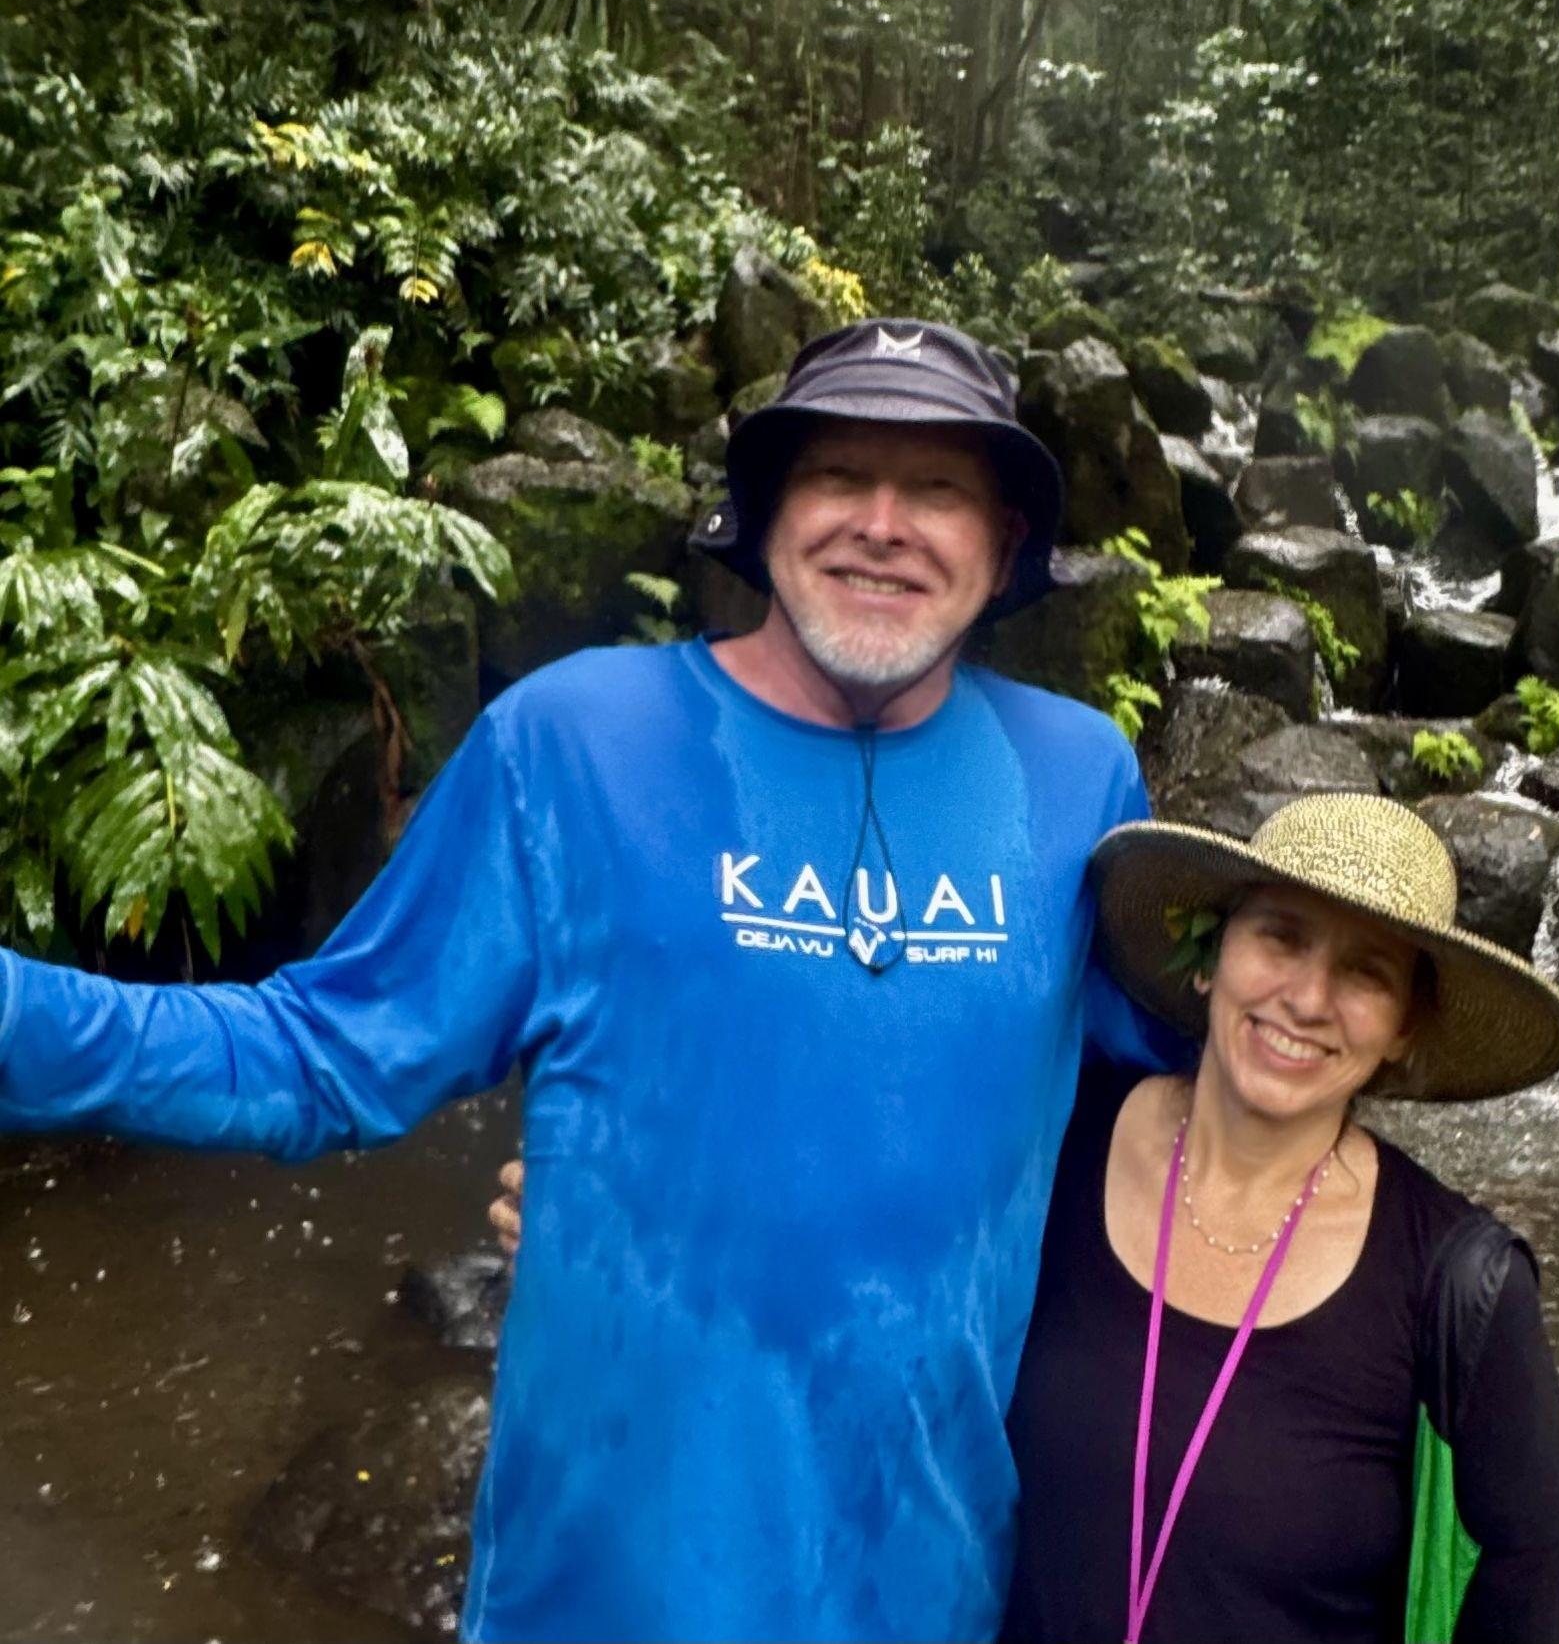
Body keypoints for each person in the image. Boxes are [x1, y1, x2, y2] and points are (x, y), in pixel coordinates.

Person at [0, 319, 1186, 1643]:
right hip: (597, 1590)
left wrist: (1441, 1280)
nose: (882, 523)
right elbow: (316, 1050)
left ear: (1006, 542)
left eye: (941, 489)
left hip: (922, 1582)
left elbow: (1176, 1120)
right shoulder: (571, 741)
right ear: (764, 511)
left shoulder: (1079, 779)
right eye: (837, 474)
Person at [1001, 792, 1559, 1644]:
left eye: (1366, 972)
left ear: (1402, 1027)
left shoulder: (1457, 1279)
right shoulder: (1056, 1143)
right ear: (1208, 953)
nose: (1307, 998)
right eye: (1280, 934)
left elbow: (1529, 1571)